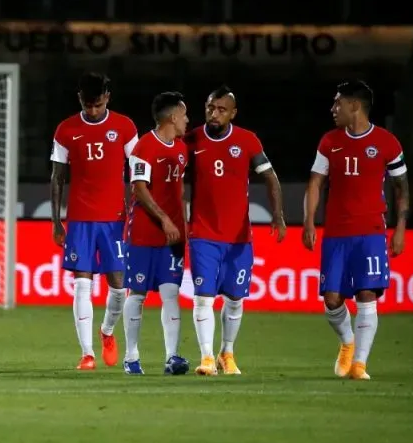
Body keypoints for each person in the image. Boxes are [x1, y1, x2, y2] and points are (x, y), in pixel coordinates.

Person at [303, 80, 409, 380]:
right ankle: (347, 343)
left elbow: (402, 187)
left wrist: (400, 228)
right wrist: (309, 220)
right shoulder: (329, 141)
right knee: (332, 299)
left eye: (338, 103)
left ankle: (359, 365)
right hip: (336, 233)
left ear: (355, 106)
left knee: (366, 294)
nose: (333, 108)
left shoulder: (387, 142)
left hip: (371, 232)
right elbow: (315, 182)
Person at [185, 86, 285, 376]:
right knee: (203, 296)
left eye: (221, 109)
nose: (214, 114)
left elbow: (271, 178)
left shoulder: (247, 141)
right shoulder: (192, 139)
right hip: (203, 233)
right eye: (210, 108)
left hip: (239, 237)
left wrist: (277, 216)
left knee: (235, 298)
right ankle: (205, 358)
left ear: (232, 113)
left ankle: (226, 353)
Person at [50, 72, 138, 370]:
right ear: (80, 100)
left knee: (118, 285)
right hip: (81, 219)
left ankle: (107, 332)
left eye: (98, 105)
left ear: (107, 98)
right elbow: (57, 177)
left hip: (114, 218)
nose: (93, 111)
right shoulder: (66, 130)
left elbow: (137, 172)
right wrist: (56, 220)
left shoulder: (125, 127)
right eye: (88, 105)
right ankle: (87, 353)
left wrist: (135, 209)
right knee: (81, 285)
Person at [122, 91, 190, 376]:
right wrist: (164, 219)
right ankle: (131, 356)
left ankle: (172, 357)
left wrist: (177, 222)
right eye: (184, 114)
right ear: (173, 117)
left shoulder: (182, 149)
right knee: (137, 294)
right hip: (144, 233)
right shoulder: (144, 147)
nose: (187, 120)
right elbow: (139, 188)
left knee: (171, 292)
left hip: (173, 235)